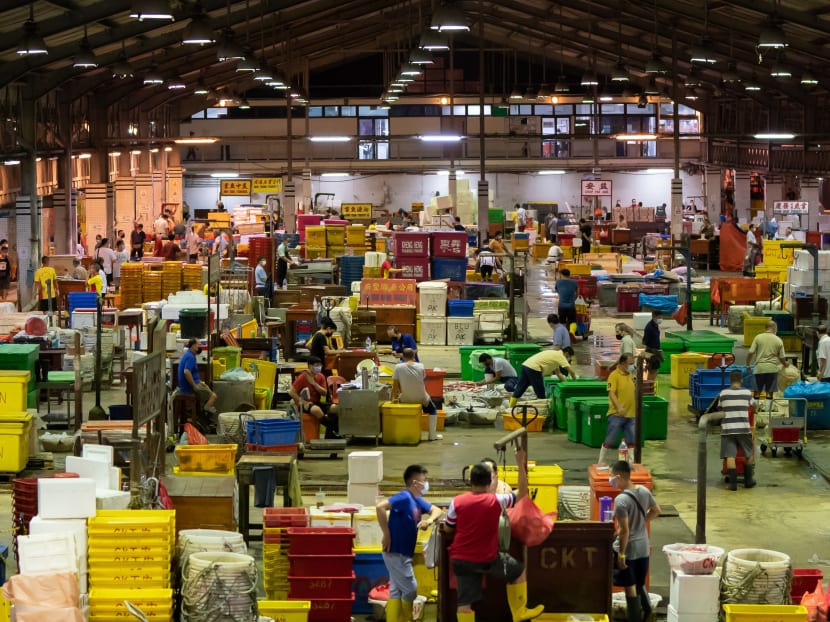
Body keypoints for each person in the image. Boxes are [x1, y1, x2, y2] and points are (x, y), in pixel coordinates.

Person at [444, 451, 545, 622]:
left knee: (464, 604)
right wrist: (521, 464)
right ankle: (519, 612)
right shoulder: (497, 501)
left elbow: (448, 528)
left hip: (460, 559)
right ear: (489, 481)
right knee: (518, 571)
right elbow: (522, 494)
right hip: (487, 558)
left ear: (470, 481)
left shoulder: (457, 501)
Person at [376, 465, 443, 622]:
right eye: (424, 481)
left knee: (396, 590)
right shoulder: (405, 497)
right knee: (411, 589)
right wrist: (386, 534)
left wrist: (429, 520)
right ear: (415, 482)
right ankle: (405, 619)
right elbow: (380, 507)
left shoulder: (417, 500)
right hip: (396, 551)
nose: (426, 484)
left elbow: (437, 510)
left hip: (403, 552)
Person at [610, 460, 660, 622]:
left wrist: (621, 555)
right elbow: (656, 511)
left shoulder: (621, 500)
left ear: (619, 476)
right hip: (643, 546)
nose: (611, 480)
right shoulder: (644, 491)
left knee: (630, 587)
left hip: (629, 549)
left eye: (612, 477)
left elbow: (624, 531)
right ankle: (648, 614)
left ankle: (636, 619)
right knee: (639, 583)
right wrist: (641, 522)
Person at [718, 369, 757, 490]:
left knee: (730, 455)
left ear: (730, 380)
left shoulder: (723, 393)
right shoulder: (746, 393)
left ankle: (733, 484)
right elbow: (754, 406)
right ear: (741, 380)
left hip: (728, 429)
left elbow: (720, 409)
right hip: (743, 429)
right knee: (749, 454)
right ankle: (748, 481)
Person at [393, 348, 441, 441]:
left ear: (403, 356)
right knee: (433, 409)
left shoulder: (398, 367)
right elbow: (422, 378)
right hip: (421, 398)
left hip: (405, 398)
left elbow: (395, 387)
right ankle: (432, 435)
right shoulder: (421, 366)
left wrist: (394, 399)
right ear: (413, 356)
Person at [287, 355, 339, 438]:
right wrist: (303, 402)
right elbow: (291, 392)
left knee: (336, 408)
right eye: (316, 365)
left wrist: (314, 384)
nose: (319, 367)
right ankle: (336, 429)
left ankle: (331, 434)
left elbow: (324, 393)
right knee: (316, 410)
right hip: (304, 404)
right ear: (310, 366)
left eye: (320, 365)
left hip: (316, 402)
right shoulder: (303, 376)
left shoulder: (321, 376)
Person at [598, 354, 636, 466]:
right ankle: (601, 461)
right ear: (623, 363)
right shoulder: (614, 376)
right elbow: (611, 392)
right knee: (610, 440)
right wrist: (619, 407)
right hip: (617, 414)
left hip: (631, 414)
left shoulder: (630, 375)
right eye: (630, 364)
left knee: (631, 440)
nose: (632, 366)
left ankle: (631, 463)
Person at [508, 347, 576, 408]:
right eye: (569, 356)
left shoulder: (554, 354)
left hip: (526, 365)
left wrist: (566, 384)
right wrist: (574, 382)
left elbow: (558, 373)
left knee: (520, 388)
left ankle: (510, 408)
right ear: (566, 353)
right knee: (540, 392)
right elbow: (571, 372)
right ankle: (542, 413)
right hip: (534, 369)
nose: (568, 358)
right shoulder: (561, 356)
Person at [746, 320, 789, 411]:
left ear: (766, 328)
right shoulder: (778, 340)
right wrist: (785, 365)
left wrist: (748, 365)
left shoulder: (758, 337)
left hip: (759, 368)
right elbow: (782, 357)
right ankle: (767, 410)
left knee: (757, 391)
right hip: (772, 369)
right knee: (769, 391)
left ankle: (755, 411)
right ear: (774, 328)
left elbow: (750, 352)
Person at [177, 337, 218, 421]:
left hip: (191, 384)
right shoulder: (190, 357)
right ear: (193, 346)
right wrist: (194, 385)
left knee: (205, 388)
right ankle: (204, 413)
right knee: (213, 396)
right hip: (188, 387)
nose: (200, 347)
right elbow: (186, 371)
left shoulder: (189, 354)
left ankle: (203, 412)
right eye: (199, 345)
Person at [642, 311, 663, 381]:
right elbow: (645, 341)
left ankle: (650, 387)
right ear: (654, 317)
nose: (661, 319)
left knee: (655, 371)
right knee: (652, 372)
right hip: (651, 352)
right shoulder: (649, 328)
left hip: (656, 352)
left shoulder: (656, 325)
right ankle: (649, 387)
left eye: (661, 317)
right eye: (659, 317)